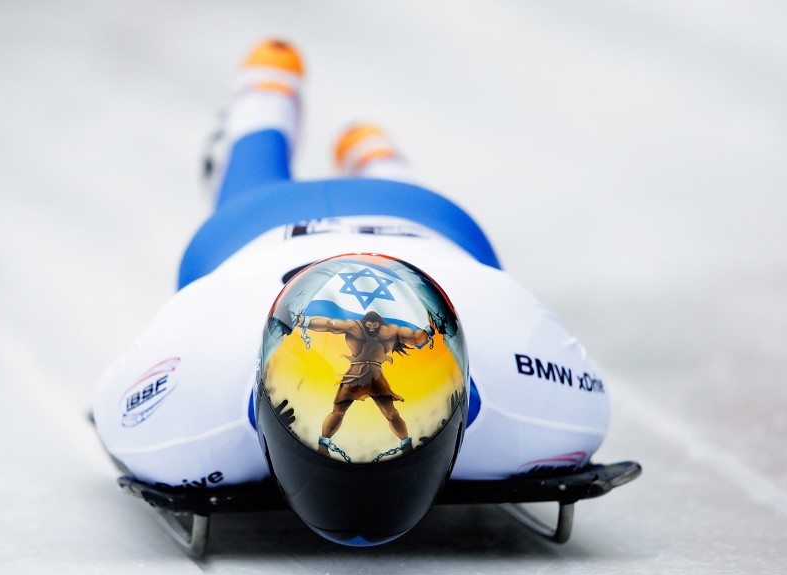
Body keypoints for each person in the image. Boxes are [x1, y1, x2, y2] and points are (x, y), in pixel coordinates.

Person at [92, 39, 614, 548]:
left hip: (292, 229)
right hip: (398, 219)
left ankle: (277, 93)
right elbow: (382, 332)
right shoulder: (551, 409)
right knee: (247, 189)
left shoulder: (181, 428)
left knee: (245, 185)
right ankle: (360, 144)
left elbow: (115, 402)